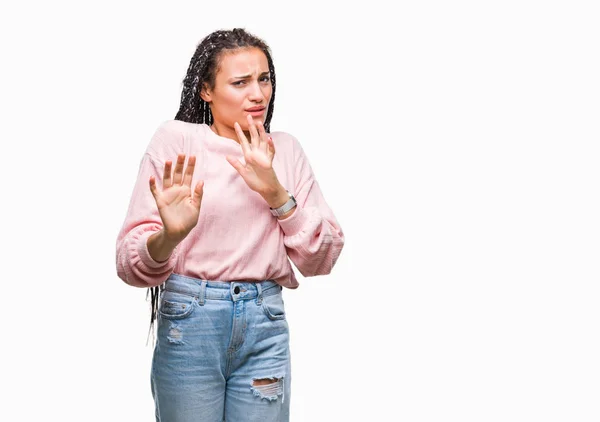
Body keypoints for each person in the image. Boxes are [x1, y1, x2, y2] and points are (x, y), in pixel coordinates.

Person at [116, 27, 344, 421]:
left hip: (265, 325)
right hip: (191, 324)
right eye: (240, 82)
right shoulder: (177, 142)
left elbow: (321, 258)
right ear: (206, 89)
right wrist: (170, 236)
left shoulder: (285, 149)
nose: (258, 94)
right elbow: (128, 263)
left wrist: (276, 194)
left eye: (264, 79)